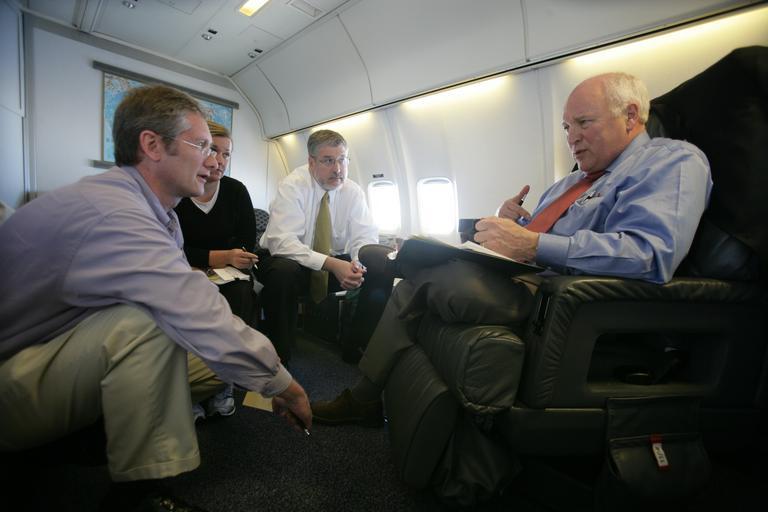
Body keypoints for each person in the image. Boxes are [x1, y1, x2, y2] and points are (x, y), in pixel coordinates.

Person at [311, 72, 713, 427]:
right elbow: (537, 242)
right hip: (521, 278)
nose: (571, 137)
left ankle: (363, 398)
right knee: (423, 262)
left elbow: (649, 254)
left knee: (424, 277)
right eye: (566, 126)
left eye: (583, 122)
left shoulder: (671, 161)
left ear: (630, 116)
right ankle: (375, 399)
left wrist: (532, 242)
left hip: (565, 300)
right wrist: (512, 226)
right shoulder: (569, 183)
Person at [0, 85, 311, 512]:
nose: (213, 161)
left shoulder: (154, 211)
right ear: (152, 145)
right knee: (151, 325)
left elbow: (187, 296)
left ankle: (96, 433)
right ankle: (138, 491)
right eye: (201, 146)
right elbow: (190, 304)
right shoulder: (117, 213)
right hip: (13, 369)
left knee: (216, 365)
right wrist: (283, 383)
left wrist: (257, 368)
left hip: (52, 349)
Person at [258, 129, 394, 364]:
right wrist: (332, 264)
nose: (338, 169)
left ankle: (357, 348)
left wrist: (356, 265)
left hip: (332, 262)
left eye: (342, 160)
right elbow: (282, 243)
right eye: (328, 161)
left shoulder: (353, 191)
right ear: (311, 162)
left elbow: (364, 238)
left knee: (379, 263)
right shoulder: (292, 186)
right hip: (288, 261)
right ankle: (279, 359)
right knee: (283, 272)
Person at [175, 120, 258, 421]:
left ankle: (223, 383)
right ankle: (194, 387)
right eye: (212, 151)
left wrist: (236, 257)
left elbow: (247, 239)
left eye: (226, 154)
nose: (219, 161)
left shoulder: (236, 191)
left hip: (231, 274)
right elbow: (175, 248)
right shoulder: (178, 191)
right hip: (186, 269)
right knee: (191, 295)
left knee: (240, 293)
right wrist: (220, 256)